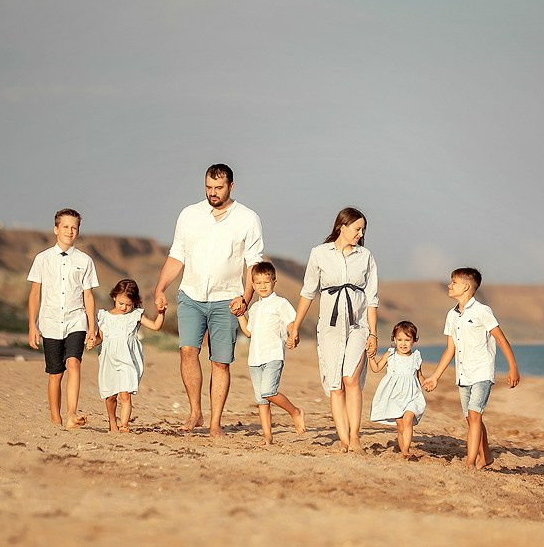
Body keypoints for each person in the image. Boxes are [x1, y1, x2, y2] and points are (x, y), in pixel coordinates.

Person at [153, 164, 264, 436]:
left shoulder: (248, 218)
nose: (213, 193)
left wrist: (245, 298)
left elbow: (254, 263)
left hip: (227, 299)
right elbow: (177, 254)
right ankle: (195, 413)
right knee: (188, 351)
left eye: (219, 188)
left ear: (231, 187)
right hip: (190, 295)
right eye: (209, 188)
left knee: (220, 362)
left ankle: (215, 422)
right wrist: (160, 288)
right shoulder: (189, 215)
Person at [287, 207, 379, 453]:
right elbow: (308, 293)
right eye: (357, 228)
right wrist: (295, 327)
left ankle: (355, 436)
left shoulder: (366, 256)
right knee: (336, 385)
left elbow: (372, 299)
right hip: (329, 328)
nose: (360, 234)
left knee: (351, 379)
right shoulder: (319, 253)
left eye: (362, 230)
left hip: (358, 326)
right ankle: (344, 439)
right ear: (342, 226)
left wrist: (373, 333)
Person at [422, 267, 520, 470]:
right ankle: (487, 457)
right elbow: (450, 349)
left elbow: (501, 339)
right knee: (471, 418)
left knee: (475, 415)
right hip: (463, 375)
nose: (449, 285)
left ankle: (470, 463)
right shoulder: (451, 315)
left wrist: (513, 368)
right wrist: (435, 377)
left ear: (466, 286)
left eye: (453, 282)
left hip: (482, 373)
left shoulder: (482, 311)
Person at [26, 207, 98, 430]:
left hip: (76, 320)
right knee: (55, 373)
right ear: (56, 229)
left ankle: (71, 414)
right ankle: (55, 418)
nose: (69, 231)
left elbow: (88, 295)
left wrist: (92, 328)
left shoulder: (85, 261)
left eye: (74, 228)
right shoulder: (42, 259)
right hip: (49, 322)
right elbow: (35, 294)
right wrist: (32, 325)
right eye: (65, 227)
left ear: (78, 231)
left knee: (74, 363)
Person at [234, 261, 306, 446]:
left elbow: (291, 323)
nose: (262, 286)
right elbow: (248, 332)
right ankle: (267, 437)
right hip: (254, 359)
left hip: (273, 355)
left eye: (266, 282)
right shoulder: (255, 308)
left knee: (268, 391)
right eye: (258, 283)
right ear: (253, 284)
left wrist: (293, 335)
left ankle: (295, 412)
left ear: (274, 281)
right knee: (261, 400)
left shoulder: (280, 303)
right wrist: (240, 315)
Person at [92, 278, 166, 434]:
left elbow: (156, 326)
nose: (124, 307)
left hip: (127, 359)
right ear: (114, 297)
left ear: (134, 302)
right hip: (109, 359)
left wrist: (161, 313)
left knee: (125, 394)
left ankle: (124, 425)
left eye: (128, 304)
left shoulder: (135, 315)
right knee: (111, 395)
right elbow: (101, 338)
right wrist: (93, 341)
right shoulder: (104, 316)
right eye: (121, 303)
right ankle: (112, 422)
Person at [368, 320, 427, 459]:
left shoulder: (416, 357)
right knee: (400, 426)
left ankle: (406, 450)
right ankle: (403, 450)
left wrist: (426, 384)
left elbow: (419, 376)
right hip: (395, 396)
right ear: (394, 339)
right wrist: (371, 357)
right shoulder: (390, 355)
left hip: (412, 395)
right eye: (399, 339)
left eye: (407, 340)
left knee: (408, 419)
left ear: (414, 340)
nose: (403, 343)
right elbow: (376, 368)